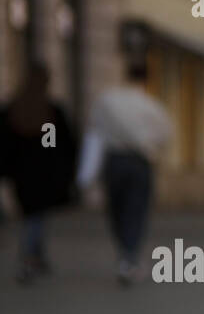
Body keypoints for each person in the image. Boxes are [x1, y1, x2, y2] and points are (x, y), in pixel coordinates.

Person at [77, 61, 173, 284]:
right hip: (139, 163)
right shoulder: (151, 105)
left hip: (114, 161)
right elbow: (165, 134)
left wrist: (86, 173)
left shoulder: (107, 101)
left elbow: (94, 133)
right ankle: (129, 257)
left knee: (116, 209)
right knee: (136, 210)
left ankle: (125, 253)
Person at [1, 63, 78, 283]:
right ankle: (28, 258)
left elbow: (6, 146)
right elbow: (52, 145)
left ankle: (37, 255)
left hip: (21, 175)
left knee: (32, 215)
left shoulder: (13, 111)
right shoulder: (48, 112)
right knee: (35, 217)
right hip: (41, 174)